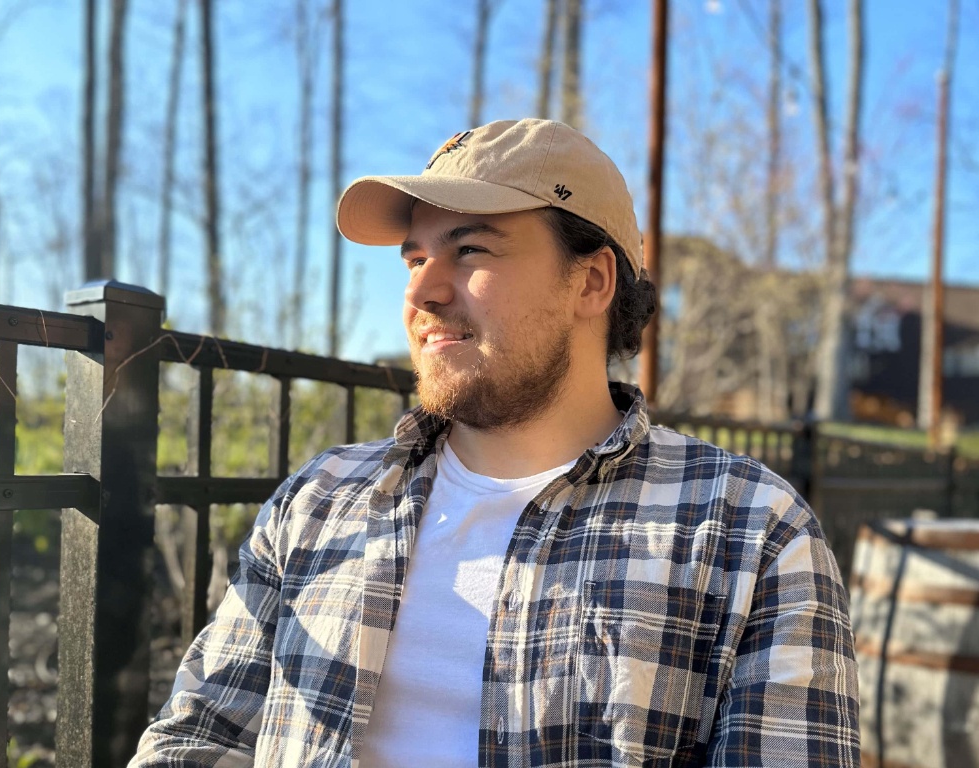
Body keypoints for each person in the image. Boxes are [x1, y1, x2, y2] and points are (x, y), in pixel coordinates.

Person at [131, 118, 859, 767]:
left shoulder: (746, 532)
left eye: (470, 249)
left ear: (592, 281)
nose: (425, 292)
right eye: (415, 259)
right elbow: (197, 739)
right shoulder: (320, 501)